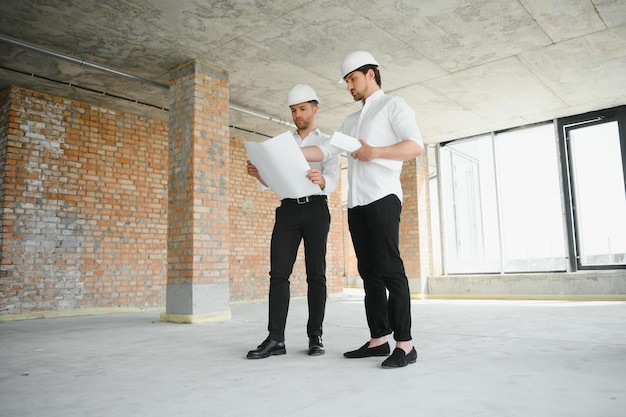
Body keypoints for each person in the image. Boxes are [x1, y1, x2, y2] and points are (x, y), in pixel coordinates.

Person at [303, 51, 424, 368]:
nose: (349, 86)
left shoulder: (393, 105)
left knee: (390, 270)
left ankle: (405, 344)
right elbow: (326, 149)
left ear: (371, 74)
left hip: (383, 198)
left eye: (352, 79)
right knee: (368, 273)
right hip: (356, 204)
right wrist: (292, 152)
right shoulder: (350, 121)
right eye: (346, 82)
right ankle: (378, 339)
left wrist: (375, 151)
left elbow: (414, 145)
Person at [246, 84, 339, 359]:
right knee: (278, 274)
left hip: (316, 209)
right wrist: (257, 175)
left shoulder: (327, 142)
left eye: (302, 109)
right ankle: (276, 339)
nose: (297, 115)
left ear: (314, 109)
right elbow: (275, 182)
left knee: (316, 275)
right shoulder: (283, 143)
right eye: (293, 110)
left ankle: (315, 336)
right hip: (287, 210)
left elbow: (332, 178)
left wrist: (323, 180)